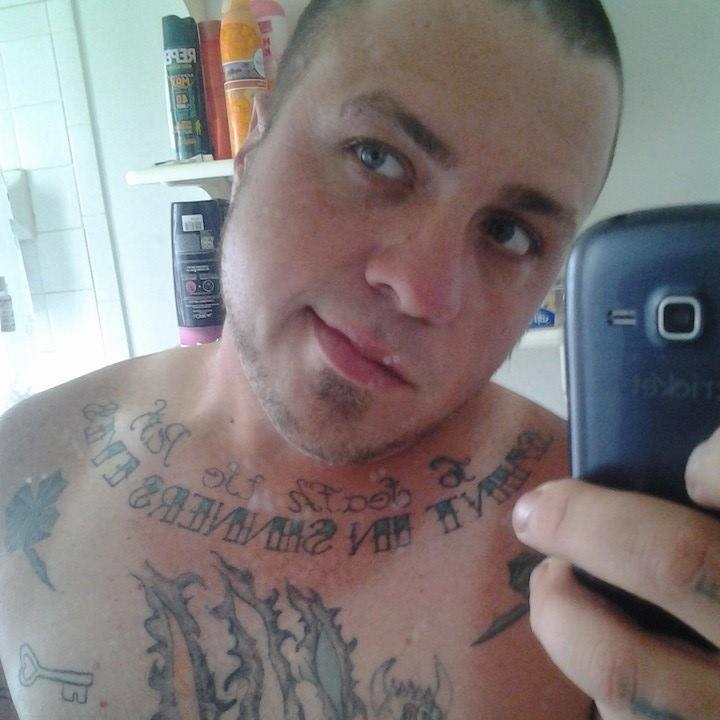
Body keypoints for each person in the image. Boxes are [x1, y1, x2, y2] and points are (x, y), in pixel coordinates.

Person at [0, 0, 717, 718]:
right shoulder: (24, 463)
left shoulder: (630, 555)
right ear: (252, 147)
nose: (420, 289)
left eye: (508, 232)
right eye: (378, 158)